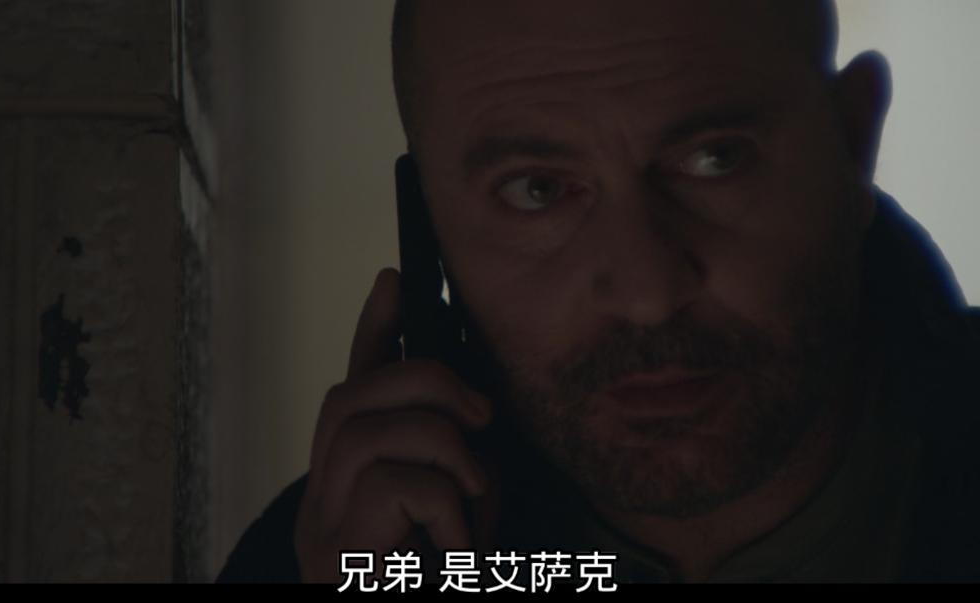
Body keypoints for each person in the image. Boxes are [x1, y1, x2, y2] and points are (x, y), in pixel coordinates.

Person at [217, 0, 980, 584]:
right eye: (537, 190)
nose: (646, 293)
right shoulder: (331, 561)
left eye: (714, 159)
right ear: (429, 226)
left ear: (852, 142)